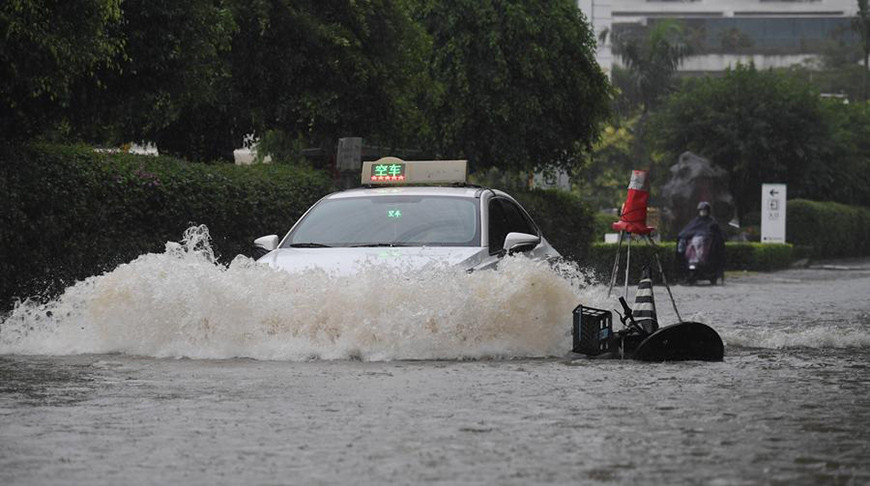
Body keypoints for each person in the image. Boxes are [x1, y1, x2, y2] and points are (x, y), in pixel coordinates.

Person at [676, 201, 726, 284]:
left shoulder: (712, 223)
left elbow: (717, 236)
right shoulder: (695, 222)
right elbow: (686, 232)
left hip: (706, 250)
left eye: (704, 210)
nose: (703, 212)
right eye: (701, 210)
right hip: (691, 250)